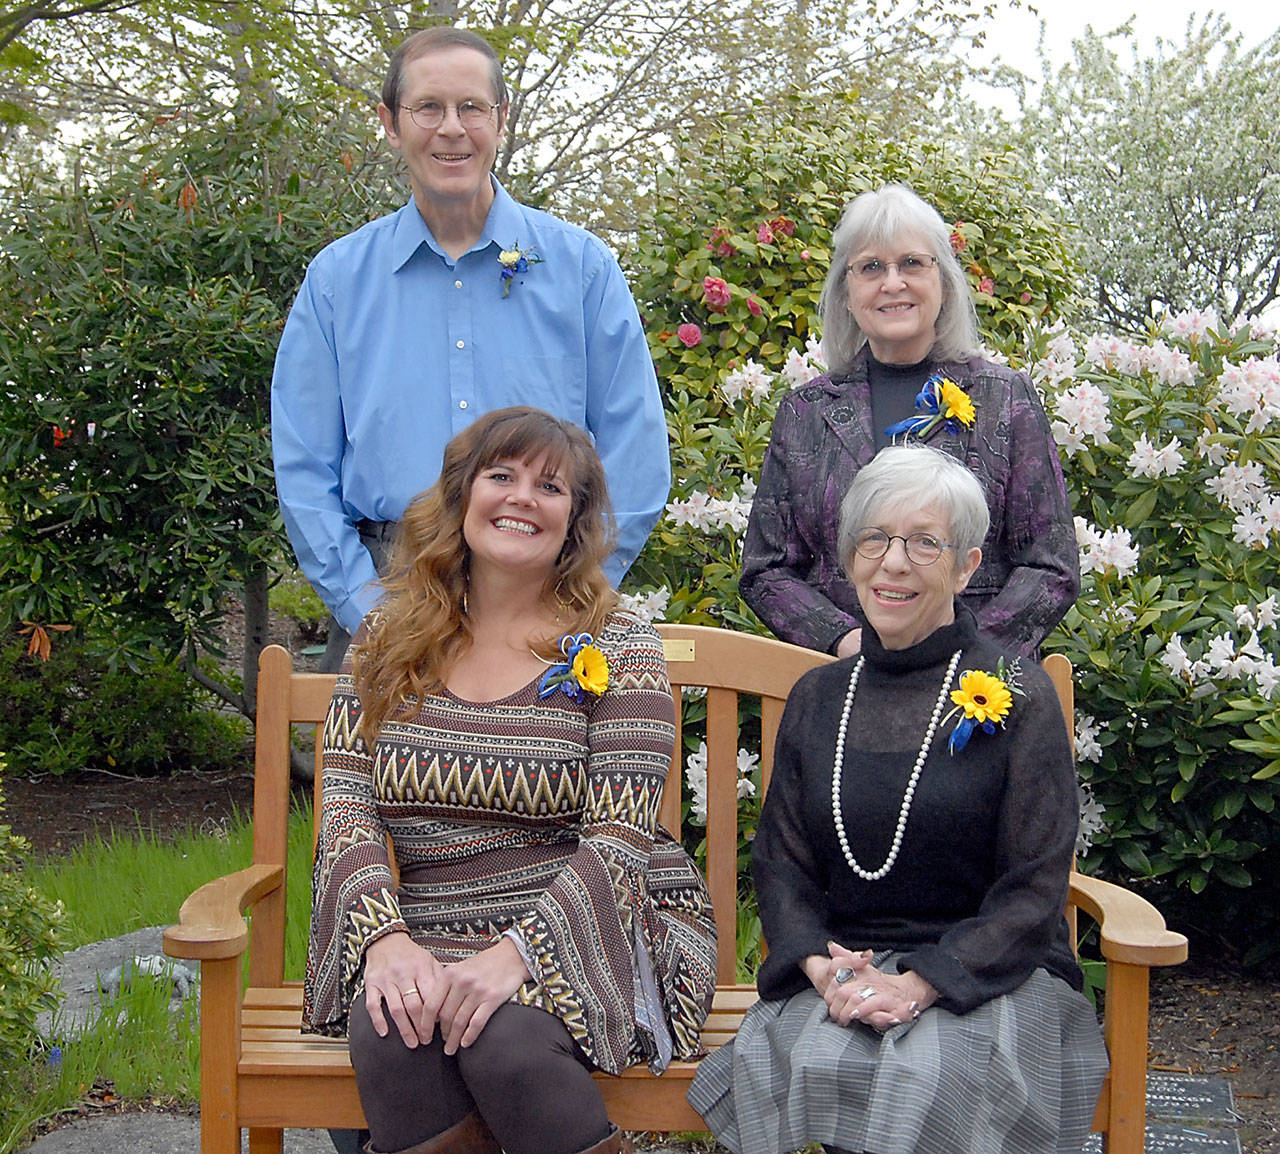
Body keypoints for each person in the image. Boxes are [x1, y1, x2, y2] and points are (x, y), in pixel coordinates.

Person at [304, 407, 717, 1154]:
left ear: (575, 522)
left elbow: (620, 838)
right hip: (428, 923)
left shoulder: (620, 643)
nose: (522, 497)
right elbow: (345, 811)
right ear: (462, 497)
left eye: (550, 486)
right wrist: (383, 940)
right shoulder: (385, 639)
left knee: (505, 1039)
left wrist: (518, 956)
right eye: (501, 476)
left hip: (601, 921)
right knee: (391, 1023)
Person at [688, 444, 1107, 1154]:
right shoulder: (819, 698)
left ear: (968, 565)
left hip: (990, 973)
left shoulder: (1018, 694)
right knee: (822, 1056)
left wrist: (921, 984)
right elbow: (782, 863)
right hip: (848, 969)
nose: (894, 562)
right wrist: (821, 967)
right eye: (875, 539)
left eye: (924, 542)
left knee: (932, 1071)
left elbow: (1034, 890)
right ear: (851, 557)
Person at [271, 27, 670, 672]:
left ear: (500, 120)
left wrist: (575, 593)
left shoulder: (581, 269)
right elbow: (303, 464)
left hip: (548, 601)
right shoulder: (339, 281)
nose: (450, 128)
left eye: (471, 107)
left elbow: (637, 451)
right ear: (390, 124)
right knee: (369, 776)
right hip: (389, 588)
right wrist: (362, 607)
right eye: (428, 107)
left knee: (540, 778)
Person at [740, 183, 1077, 659]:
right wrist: (845, 641)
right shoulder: (805, 413)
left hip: (978, 693)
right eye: (871, 267)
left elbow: (1050, 566)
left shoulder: (1005, 398)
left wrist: (962, 651)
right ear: (847, 292)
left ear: (944, 281)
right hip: (848, 684)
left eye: (912, 263)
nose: (892, 282)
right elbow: (765, 569)